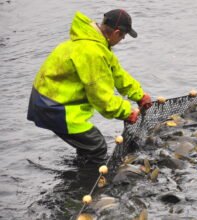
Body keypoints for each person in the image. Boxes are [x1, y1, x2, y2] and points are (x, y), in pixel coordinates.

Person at [27, 9, 152, 164]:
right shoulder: (92, 52)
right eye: (123, 36)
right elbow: (101, 99)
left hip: (51, 100)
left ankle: (78, 171)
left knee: (88, 146)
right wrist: (126, 112)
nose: (123, 39)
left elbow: (117, 73)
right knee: (96, 146)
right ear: (116, 33)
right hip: (53, 107)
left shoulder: (96, 43)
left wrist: (139, 95)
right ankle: (89, 185)